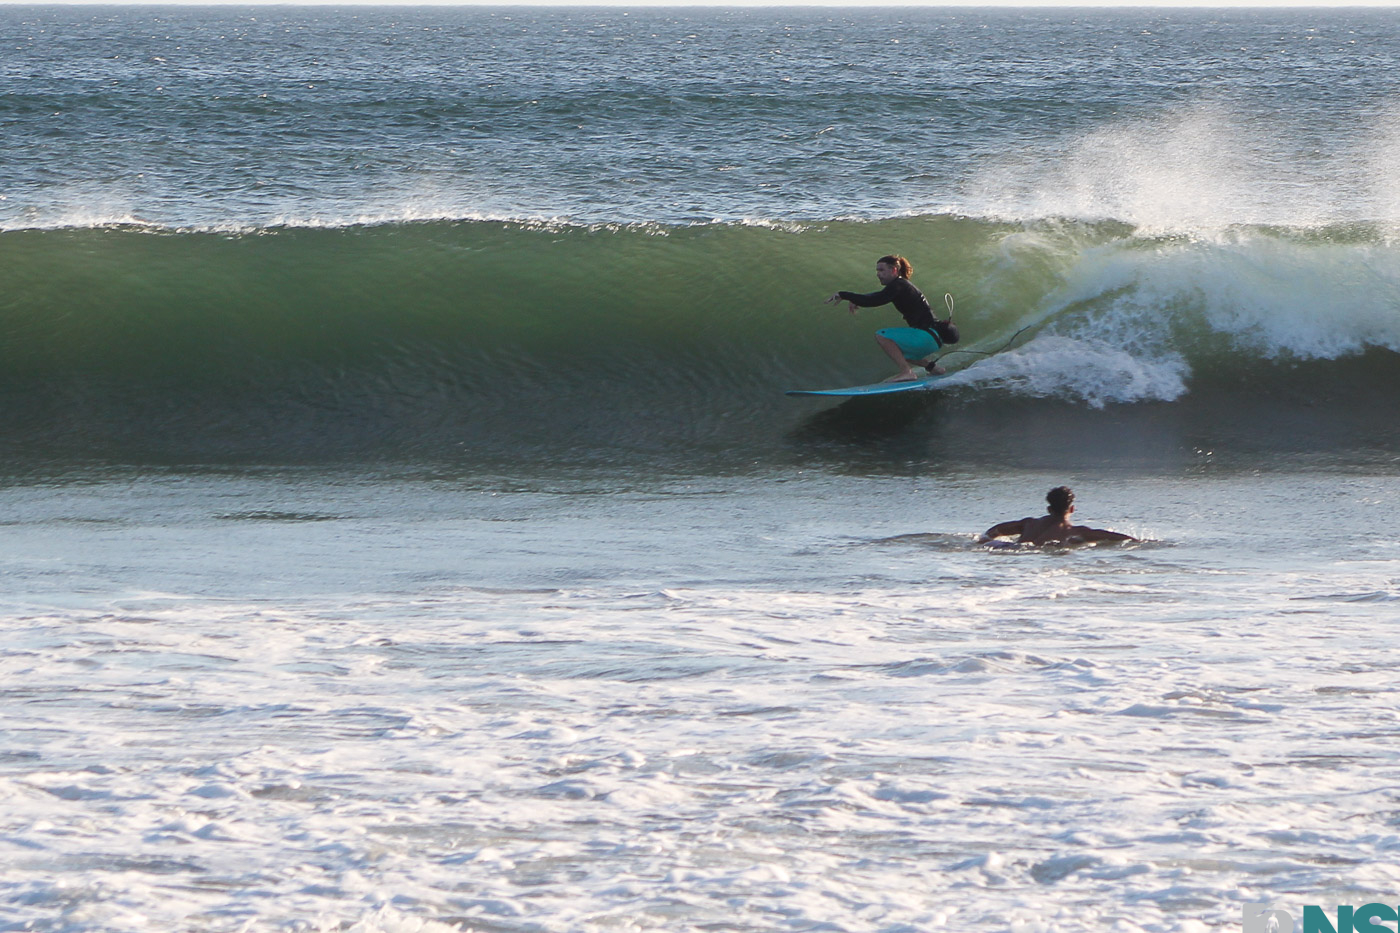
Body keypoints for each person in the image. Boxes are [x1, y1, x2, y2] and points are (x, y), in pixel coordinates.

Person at [826, 255, 955, 383]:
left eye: (881, 270)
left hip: (926, 335)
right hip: (934, 340)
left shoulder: (899, 284)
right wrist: (856, 300)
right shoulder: (901, 285)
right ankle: (934, 369)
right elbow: (878, 295)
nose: (878, 274)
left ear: (893, 270)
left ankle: (907, 372)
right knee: (897, 351)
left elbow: (875, 300)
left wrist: (843, 295)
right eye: (877, 270)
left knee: (881, 336)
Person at [980, 486, 1137, 546]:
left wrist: (983, 541)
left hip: (1015, 551)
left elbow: (995, 530)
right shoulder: (1078, 532)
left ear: (1049, 509)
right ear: (1072, 509)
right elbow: (1117, 537)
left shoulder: (1028, 524)